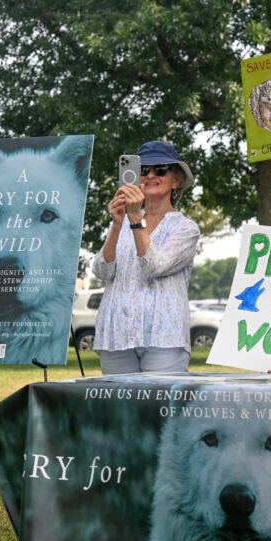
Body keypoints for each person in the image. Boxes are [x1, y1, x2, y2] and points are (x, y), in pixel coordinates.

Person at [91, 141, 200, 375]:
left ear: (177, 180)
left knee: (160, 408)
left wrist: (134, 219)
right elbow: (102, 271)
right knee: (120, 410)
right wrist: (117, 225)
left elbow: (154, 266)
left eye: (160, 169)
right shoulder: (122, 220)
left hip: (164, 336)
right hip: (116, 334)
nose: (151, 175)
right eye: (143, 170)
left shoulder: (186, 228)